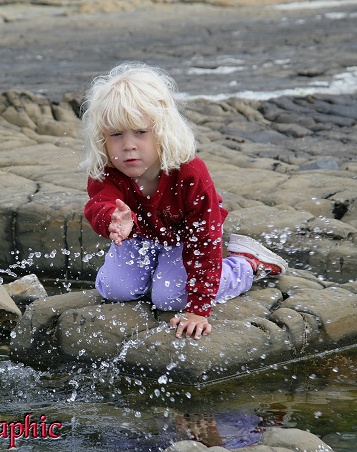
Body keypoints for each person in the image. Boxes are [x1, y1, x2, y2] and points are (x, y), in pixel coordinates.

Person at [80, 62, 288, 340]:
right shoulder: (107, 171)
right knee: (116, 290)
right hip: (140, 238)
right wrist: (112, 220)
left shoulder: (189, 173)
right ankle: (153, 266)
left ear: (162, 131)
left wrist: (199, 309)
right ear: (102, 140)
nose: (128, 145)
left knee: (169, 297)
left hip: (185, 239)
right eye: (116, 135)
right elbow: (99, 204)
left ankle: (246, 263)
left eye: (141, 132)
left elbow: (204, 239)